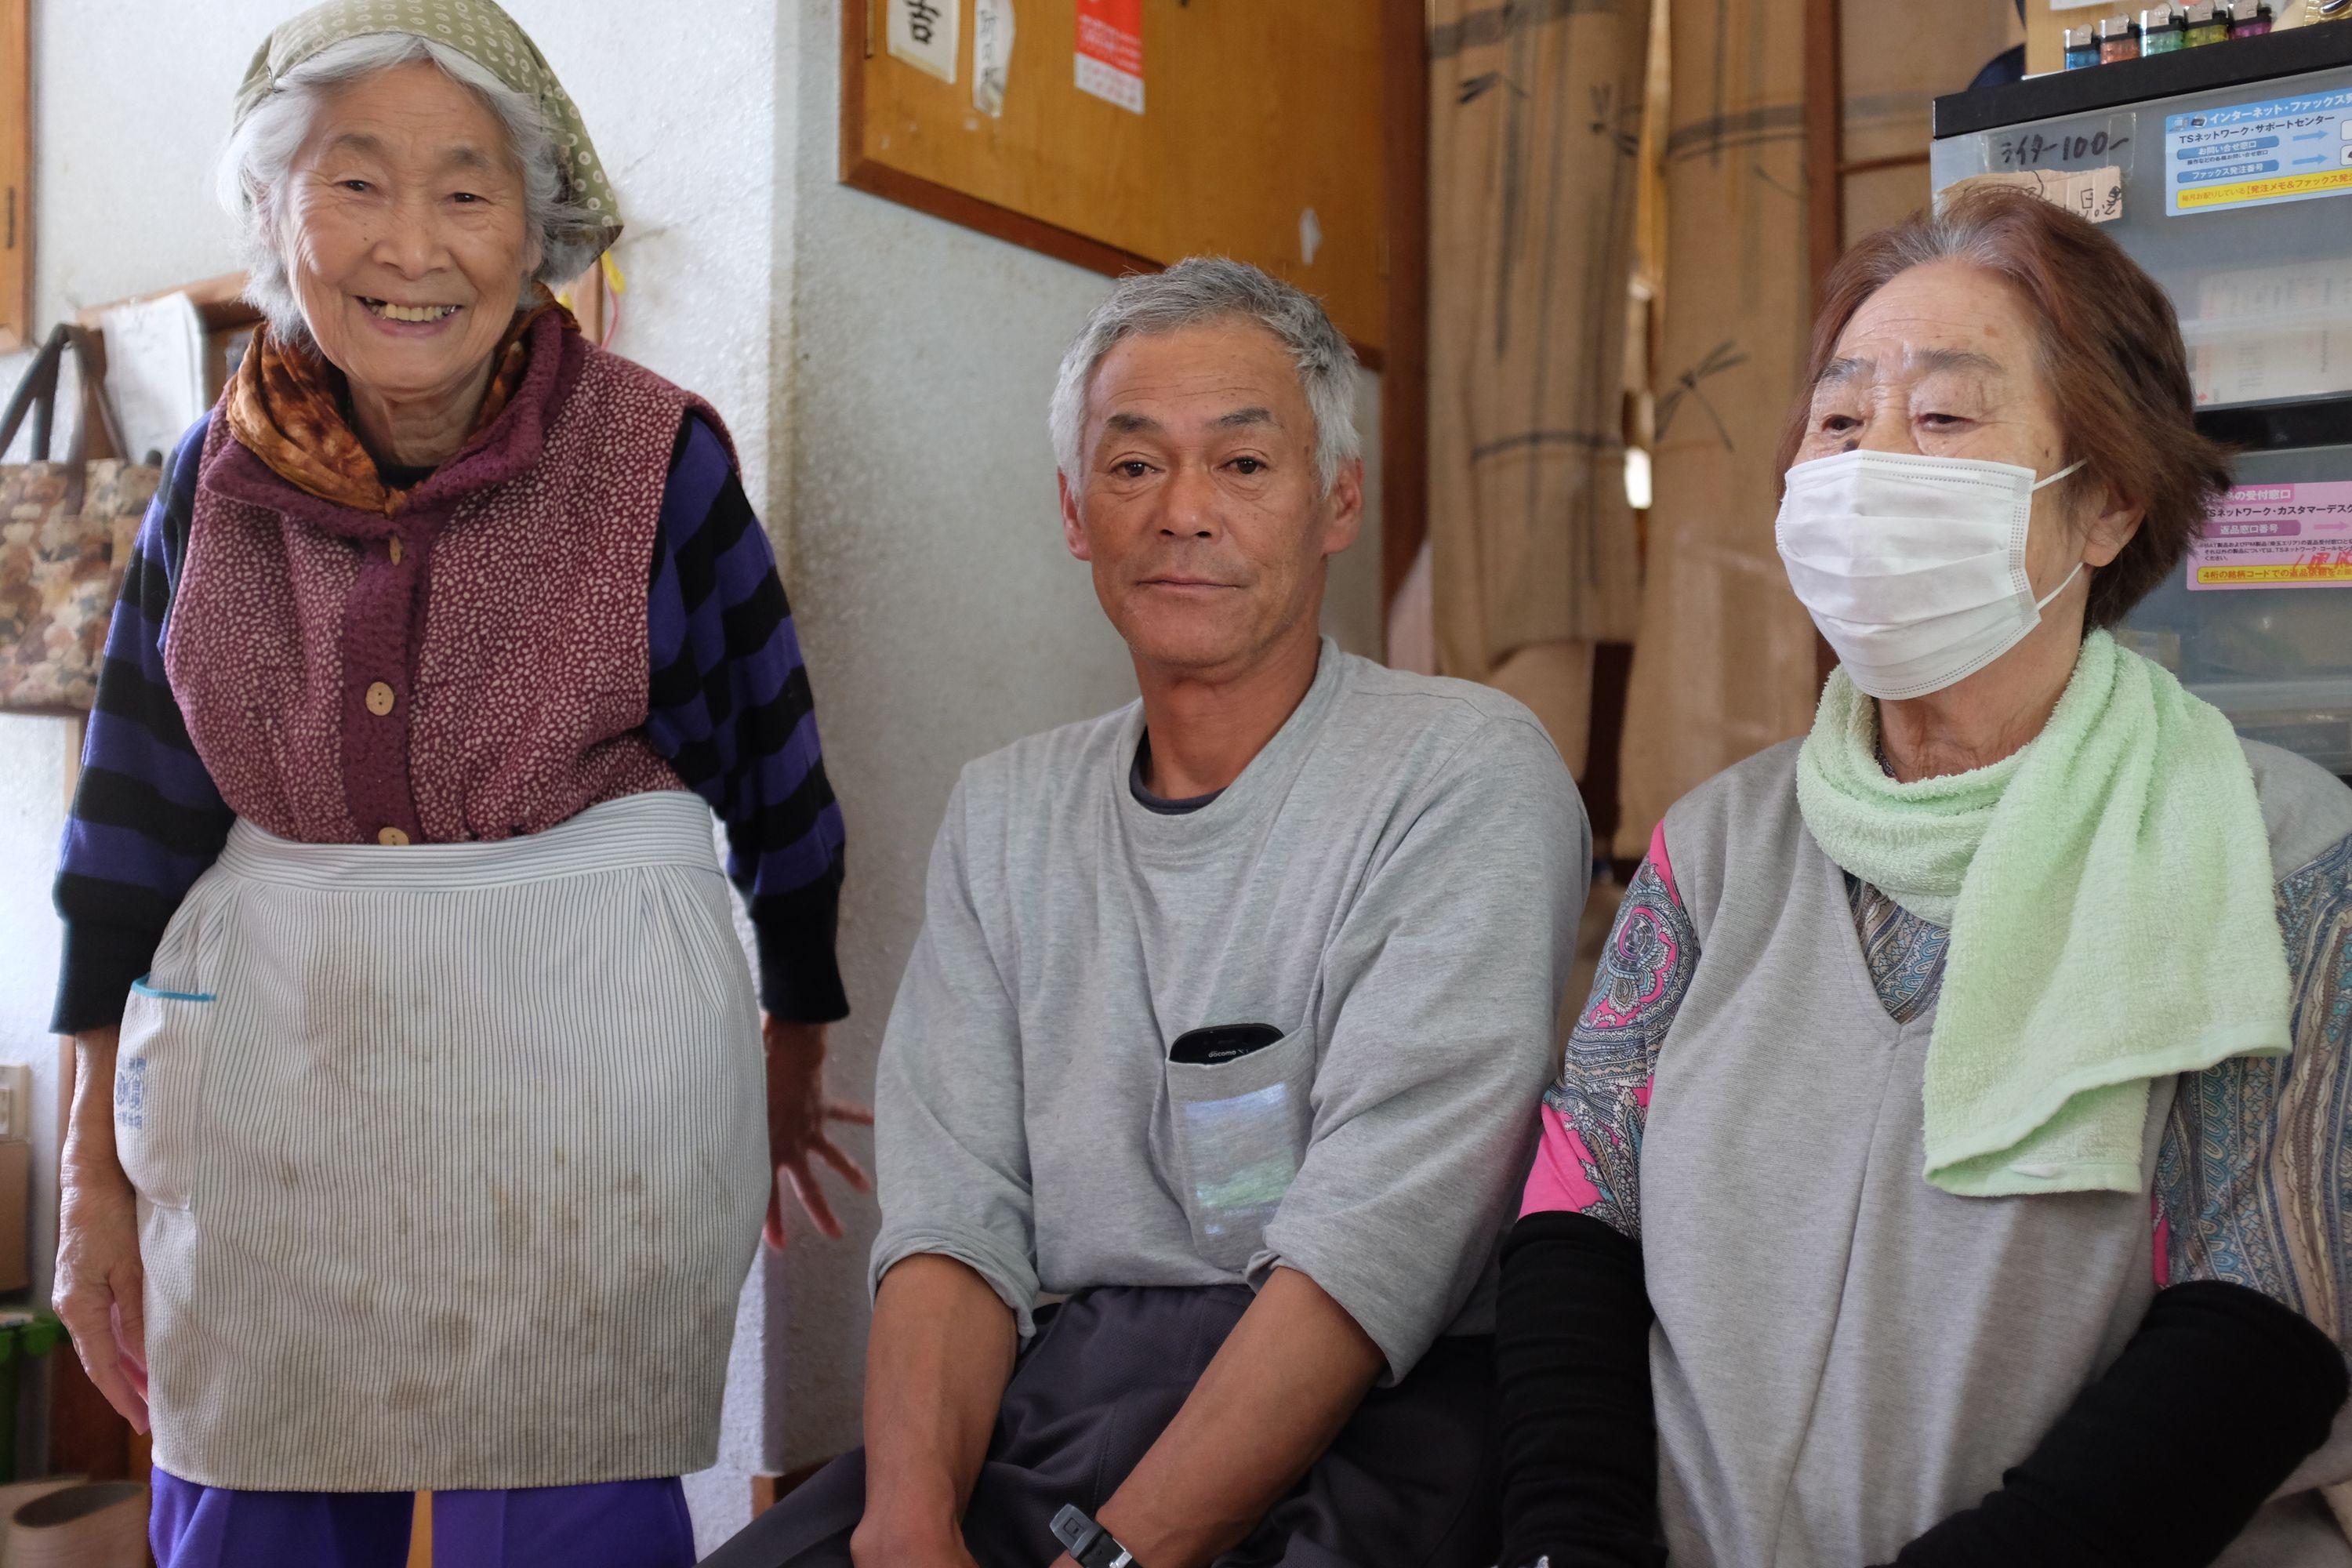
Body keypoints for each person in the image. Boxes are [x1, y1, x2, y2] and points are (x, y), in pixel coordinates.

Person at [46, 5, 867, 1564]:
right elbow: (125, 833)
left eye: (468, 189)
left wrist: (791, 1046)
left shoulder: (653, 461)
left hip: (583, 1094)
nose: (411, 244)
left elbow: (779, 776)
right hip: (277, 1094)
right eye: (355, 182)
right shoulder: (208, 490)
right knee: (252, 1508)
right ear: (275, 217)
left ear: (537, 228)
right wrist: (91, 1173)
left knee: (562, 1506)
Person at [1496, 185, 2352, 1568]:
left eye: (1944, 418)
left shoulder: (2275, 848)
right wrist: (1567, 1540)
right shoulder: (1715, 845)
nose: (1868, 463)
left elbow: (2270, 1306)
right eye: (1838, 423)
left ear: (2107, 506)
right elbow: (1577, 1205)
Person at [709, 258, 1588, 1568]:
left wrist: (1112, 1560)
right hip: (1071, 1388)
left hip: (1378, 1403)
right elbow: (956, 1223)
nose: (1183, 513)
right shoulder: (1007, 810)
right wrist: (906, 1525)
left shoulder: (1465, 772)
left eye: (1243, 465)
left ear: (1336, 497)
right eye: (1133, 468)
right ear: (1075, 511)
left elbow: (1379, 1250)